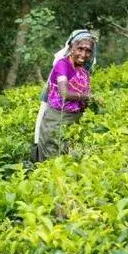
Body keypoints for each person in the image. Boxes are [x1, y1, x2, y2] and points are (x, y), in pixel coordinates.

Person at [35, 31, 100, 161]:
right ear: (71, 48)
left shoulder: (84, 72)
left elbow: (83, 101)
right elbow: (64, 94)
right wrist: (89, 97)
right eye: (80, 49)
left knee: (68, 161)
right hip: (57, 121)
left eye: (88, 51)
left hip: (74, 125)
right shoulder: (62, 65)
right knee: (52, 161)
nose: (83, 54)